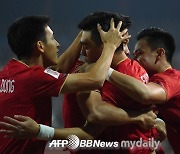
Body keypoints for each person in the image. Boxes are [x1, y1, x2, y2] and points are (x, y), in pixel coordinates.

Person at [0, 12, 160, 154]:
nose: (58, 44)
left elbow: (59, 70)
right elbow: (90, 80)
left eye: (86, 45)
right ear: (40, 46)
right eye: (52, 39)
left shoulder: (9, 72)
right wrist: (110, 46)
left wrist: (89, 26)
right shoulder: (36, 77)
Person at [103, 27, 180, 154]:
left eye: (139, 53)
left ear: (159, 54)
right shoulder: (154, 81)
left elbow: (145, 94)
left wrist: (104, 69)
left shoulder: (172, 78)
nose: (135, 60)